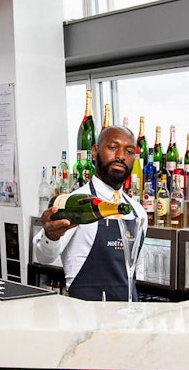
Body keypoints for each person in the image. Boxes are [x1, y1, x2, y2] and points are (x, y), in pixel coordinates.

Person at [32, 125, 147, 301]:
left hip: (126, 318)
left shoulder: (138, 213)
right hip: (84, 318)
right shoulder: (75, 203)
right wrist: (51, 235)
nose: (121, 156)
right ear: (94, 152)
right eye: (113, 147)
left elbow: (132, 272)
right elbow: (43, 257)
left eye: (129, 151)